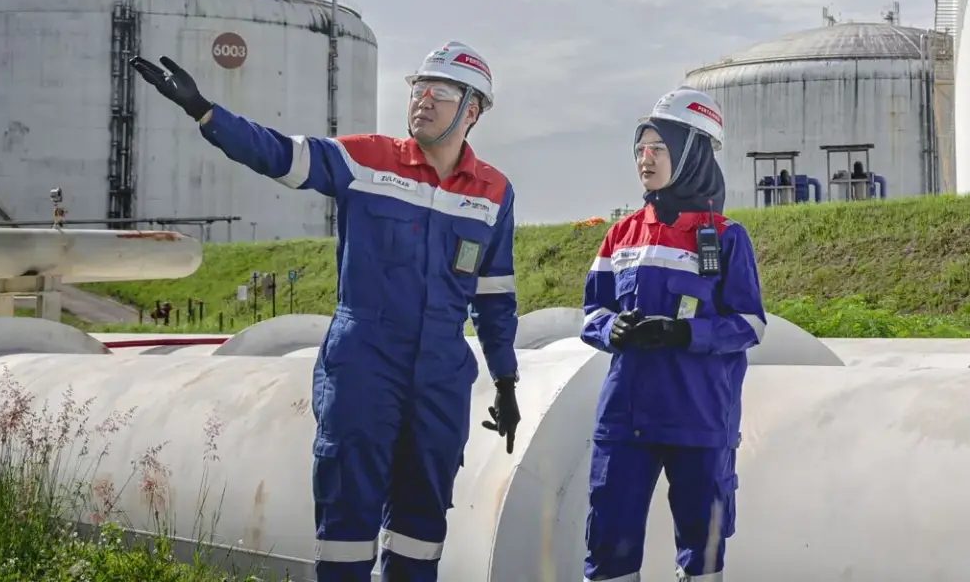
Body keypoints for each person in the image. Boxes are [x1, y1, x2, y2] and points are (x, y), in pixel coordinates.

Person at [128, 42, 522, 582]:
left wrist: (505, 379)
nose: (423, 101)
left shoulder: (494, 193)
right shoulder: (366, 160)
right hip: (365, 361)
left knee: (423, 519)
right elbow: (280, 155)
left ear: (472, 110)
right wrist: (206, 112)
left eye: (441, 92)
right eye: (418, 88)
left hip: (442, 373)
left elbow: (495, 296)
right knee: (346, 511)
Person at [578, 87, 767, 582]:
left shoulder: (727, 237)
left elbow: (750, 324)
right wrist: (610, 327)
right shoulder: (621, 235)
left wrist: (686, 334)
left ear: (691, 154)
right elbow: (591, 311)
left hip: (699, 419)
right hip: (625, 421)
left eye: (659, 148)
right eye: (640, 148)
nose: (645, 158)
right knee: (608, 551)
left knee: (702, 556)